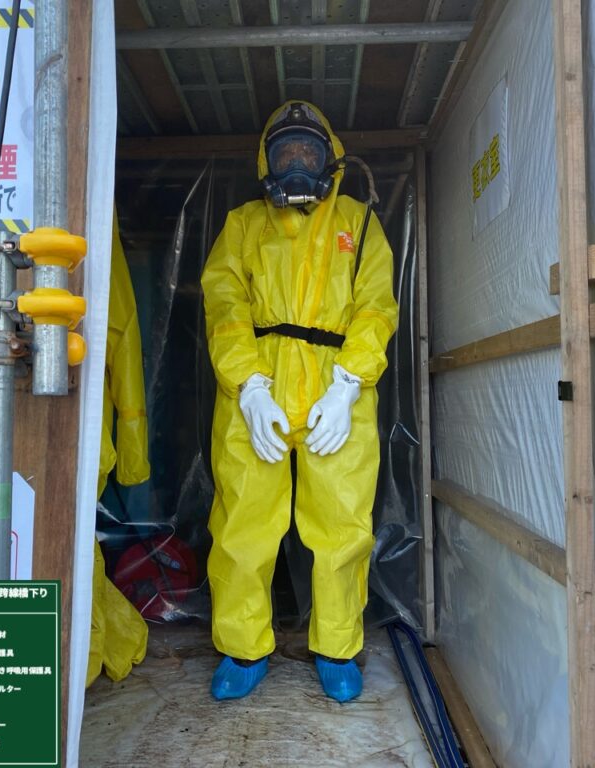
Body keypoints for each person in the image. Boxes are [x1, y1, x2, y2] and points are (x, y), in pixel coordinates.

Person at [201, 101, 398, 703]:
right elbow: (225, 306)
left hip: (337, 385)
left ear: (329, 159)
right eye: (284, 152)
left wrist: (348, 384)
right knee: (243, 519)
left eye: (306, 153)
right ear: (265, 162)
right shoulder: (242, 225)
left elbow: (376, 307)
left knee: (341, 520)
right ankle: (243, 647)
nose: (294, 164)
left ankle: (337, 647)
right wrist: (249, 385)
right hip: (256, 386)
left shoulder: (359, 222)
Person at [86, 213, 151, 687]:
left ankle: (80, 659)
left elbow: (120, 334)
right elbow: (122, 338)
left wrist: (131, 455)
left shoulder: (88, 214)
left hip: (76, 421)